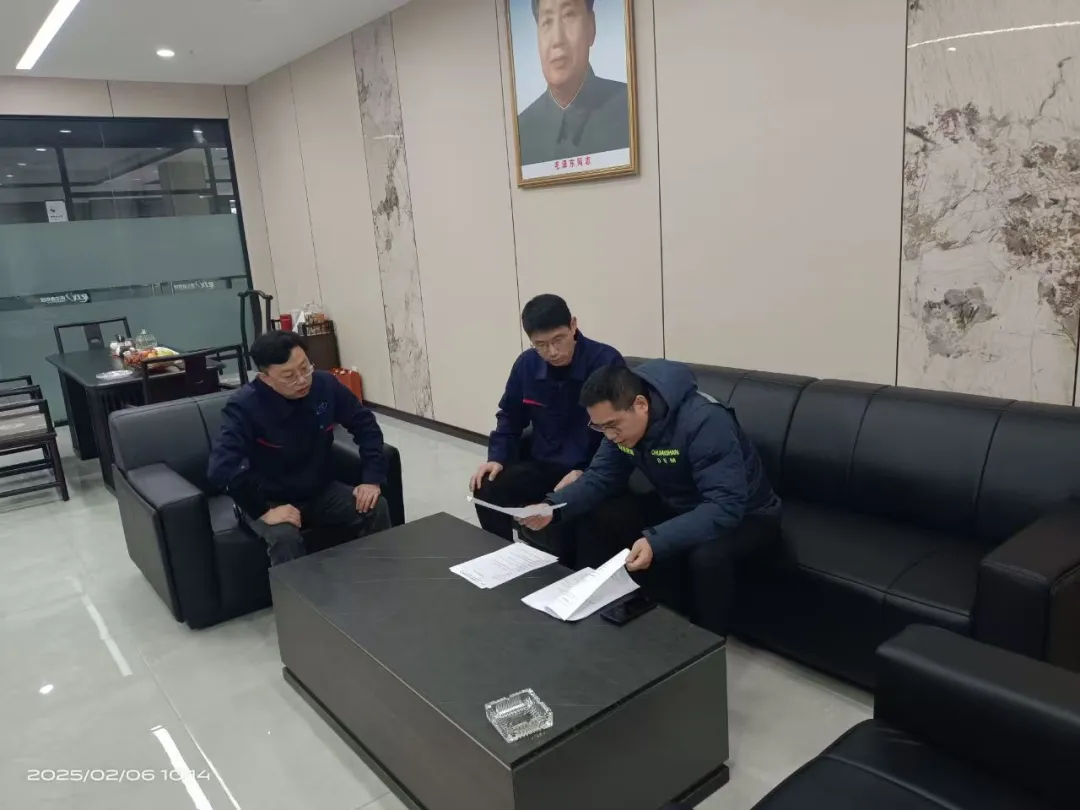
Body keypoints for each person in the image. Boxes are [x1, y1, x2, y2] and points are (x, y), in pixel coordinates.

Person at [520, 361, 781, 635]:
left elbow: (725, 506)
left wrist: (656, 540)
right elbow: (601, 476)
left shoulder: (705, 421)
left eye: (613, 425)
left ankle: (705, 644)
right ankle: (596, 611)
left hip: (748, 514)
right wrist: (552, 506)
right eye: (600, 427)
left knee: (707, 558)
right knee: (603, 514)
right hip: (681, 505)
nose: (609, 436)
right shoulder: (619, 427)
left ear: (641, 405)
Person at [208, 331, 391, 566]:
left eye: (305, 368)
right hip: (269, 497)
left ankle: (380, 575)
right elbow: (221, 468)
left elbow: (365, 425)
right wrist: (263, 511)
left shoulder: (324, 385)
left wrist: (372, 478)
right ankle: (293, 590)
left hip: (319, 490)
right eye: (289, 376)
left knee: (375, 507)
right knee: (285, 538)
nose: (302, 380)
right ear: (265, 378)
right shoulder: (244, 407)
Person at [470, 294, 623, 543]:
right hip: (545, 465)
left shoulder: (605, 362)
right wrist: (497, 457)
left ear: (573, 325)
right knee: (486, 484)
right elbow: (509, 416)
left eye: (558, 340)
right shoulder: (526, 365)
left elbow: (620, 429)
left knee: (589, 511)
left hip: (589, 467)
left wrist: (587, 472)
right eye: (540, 344)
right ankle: (500, 556)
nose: (552, 352)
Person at [517, 0, 630, 166]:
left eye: (568, 15)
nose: (557, 39)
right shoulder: (521, 132)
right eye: (547, 22)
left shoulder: (628, 108)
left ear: (591, 27)